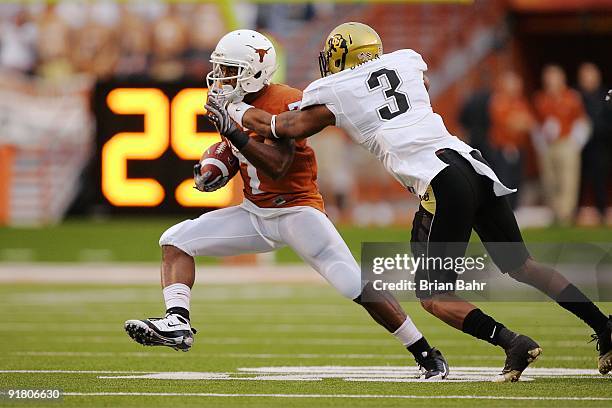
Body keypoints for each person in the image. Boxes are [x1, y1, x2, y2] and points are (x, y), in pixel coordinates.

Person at [206, 22, 612, 381]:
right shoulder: (407, 61)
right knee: (523, 264)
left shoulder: (335, 89)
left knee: (434, 296)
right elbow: (419, 89)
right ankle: (604, 328)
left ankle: (513, 343)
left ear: (339, 59)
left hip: (439, 180)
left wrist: (236, 111)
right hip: (473, 164)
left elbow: (285, 126)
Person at [124, 29, 449, 380]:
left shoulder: (285, 100)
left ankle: (426, 353)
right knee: (175, 241)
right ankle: (177, 322)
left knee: (353, 283)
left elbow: (277, 163)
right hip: (255, 213)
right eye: (219, 68)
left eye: (230, 70)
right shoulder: (230, 101)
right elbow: (239, 151)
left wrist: (232, 133)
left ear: (256, 70)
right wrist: (216, 169)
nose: (221, 78)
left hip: (297, 211)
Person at [533, 65, 590, 225]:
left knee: (568, 179)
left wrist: (576, 143)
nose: (550, 81)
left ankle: (565, 214)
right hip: (548, 145)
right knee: (550, 180)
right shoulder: (541, 98)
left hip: (566, 143)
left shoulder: (571, 97)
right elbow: (536, 124)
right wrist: (540, 144)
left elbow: (582, 121)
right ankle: (555, 212)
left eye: (554, 77)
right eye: (548, 78)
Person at [488, 71, 535, 209]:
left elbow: (529, 123)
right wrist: (519, 121)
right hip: (503, 147)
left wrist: (519, 121)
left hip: (519, 147)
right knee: (505, 180)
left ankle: (515, 209)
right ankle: (505, 210)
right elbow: (509, 123)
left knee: (517, 180)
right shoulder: (499, 100)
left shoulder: (520, 101)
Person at [577, 62, 611, 224]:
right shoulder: (576, 96)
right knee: (579, 180)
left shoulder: (606, 95)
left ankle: (602, 211)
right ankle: (575, 212)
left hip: (601, 145)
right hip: (580, 147)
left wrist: (595, 128)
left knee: (600, 179)